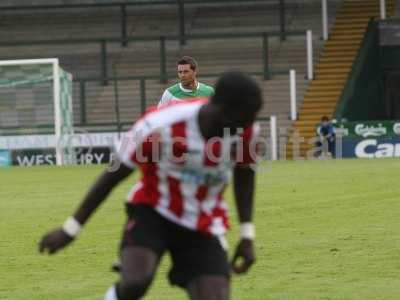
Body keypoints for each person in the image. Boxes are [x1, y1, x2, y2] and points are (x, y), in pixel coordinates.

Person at [39, 71, 263, 300]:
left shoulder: (247, 132)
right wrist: (71, 228)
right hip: (153, 210)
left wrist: (247, 234)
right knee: (136, 282)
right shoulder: (162, 125)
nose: (250, 125)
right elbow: (113, 175)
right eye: (246, 117)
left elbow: (245, 173)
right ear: (224, 110)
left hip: (202, 221)